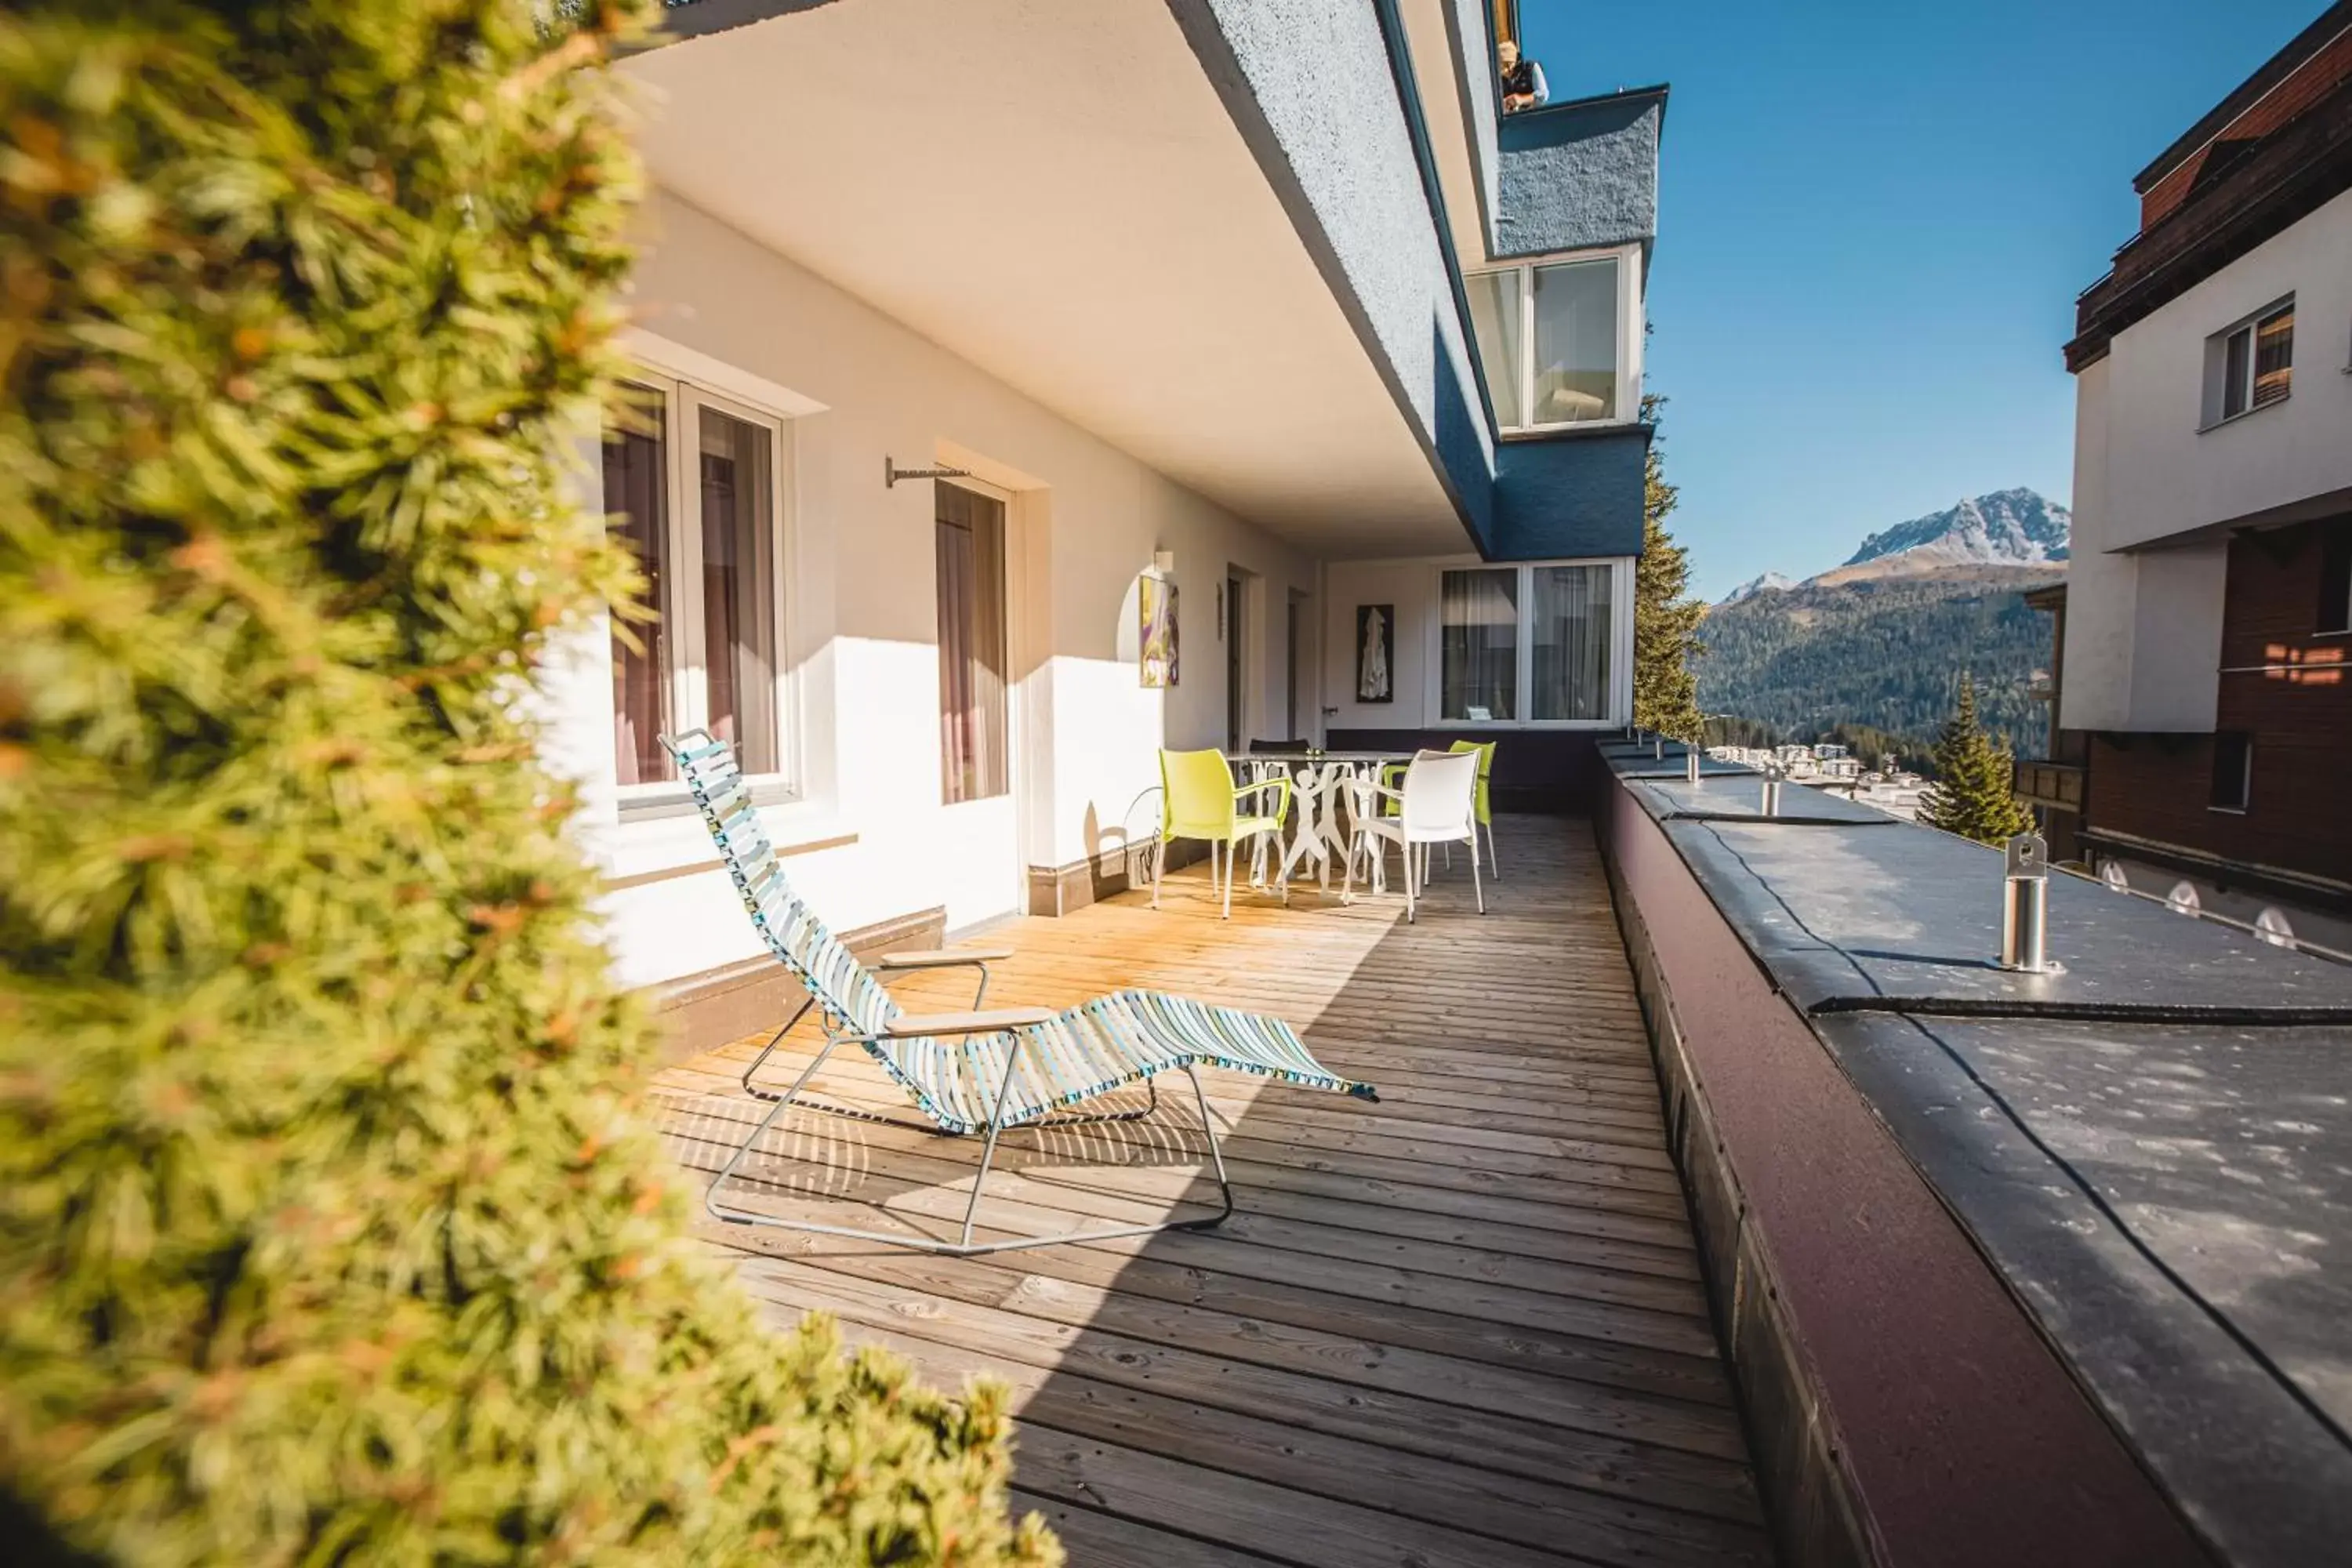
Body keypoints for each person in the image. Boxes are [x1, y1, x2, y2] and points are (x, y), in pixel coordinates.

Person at [1498, 38, 1548, 112]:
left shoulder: (1530, 68)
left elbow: (1543, 94)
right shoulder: (1499, 78)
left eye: (1508, 64)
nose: (1505, 70)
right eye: (1502, 66)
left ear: (1514, 61)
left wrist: (1521, 100)